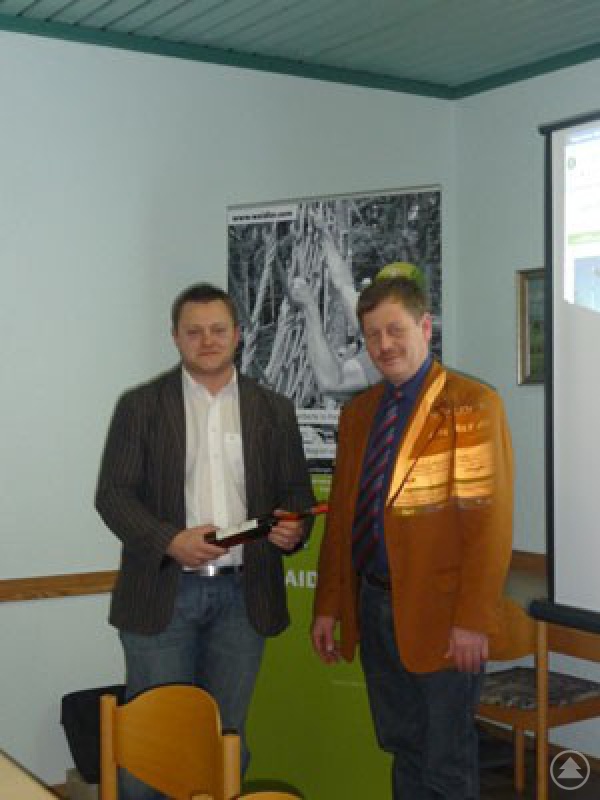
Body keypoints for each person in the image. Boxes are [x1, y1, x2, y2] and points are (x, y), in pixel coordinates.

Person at [96, 282, 314, 800]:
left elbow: (296, 494)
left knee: (225, 741)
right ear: (176, 337)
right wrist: (170, 540)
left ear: (238, 335)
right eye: (194, 332)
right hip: (162, 594)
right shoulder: (141, 406)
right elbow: (113, 496)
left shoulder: (274, 409)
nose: (207, 340)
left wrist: (294, 529)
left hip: (245, 597)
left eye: (218, 330)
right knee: (153, 745)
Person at [311, 272, 513, 799]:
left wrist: (473, 621)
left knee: (447, 763)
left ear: (425, 328)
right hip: (374, 607)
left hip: (444, 617)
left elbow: (488, 526)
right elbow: (342, 521)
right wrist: (329, 604)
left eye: (395, 330)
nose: (384, 345)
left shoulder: (472, 404)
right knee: (403, 749)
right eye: (372, 335)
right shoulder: (358, 415)